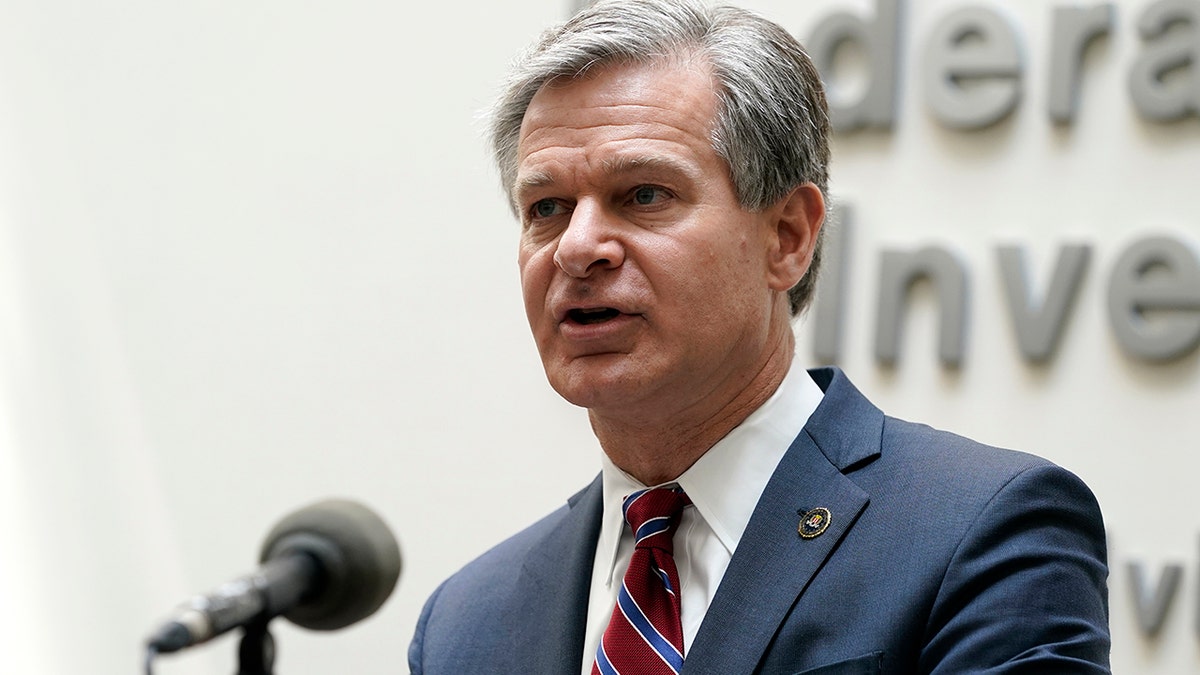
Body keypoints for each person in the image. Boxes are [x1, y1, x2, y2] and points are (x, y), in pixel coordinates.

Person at [408, 0, 1110, 672]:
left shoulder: (983, 531)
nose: (578, 246)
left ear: (788, 236)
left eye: (644, 194)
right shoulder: (467, 622)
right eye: (547, 208)